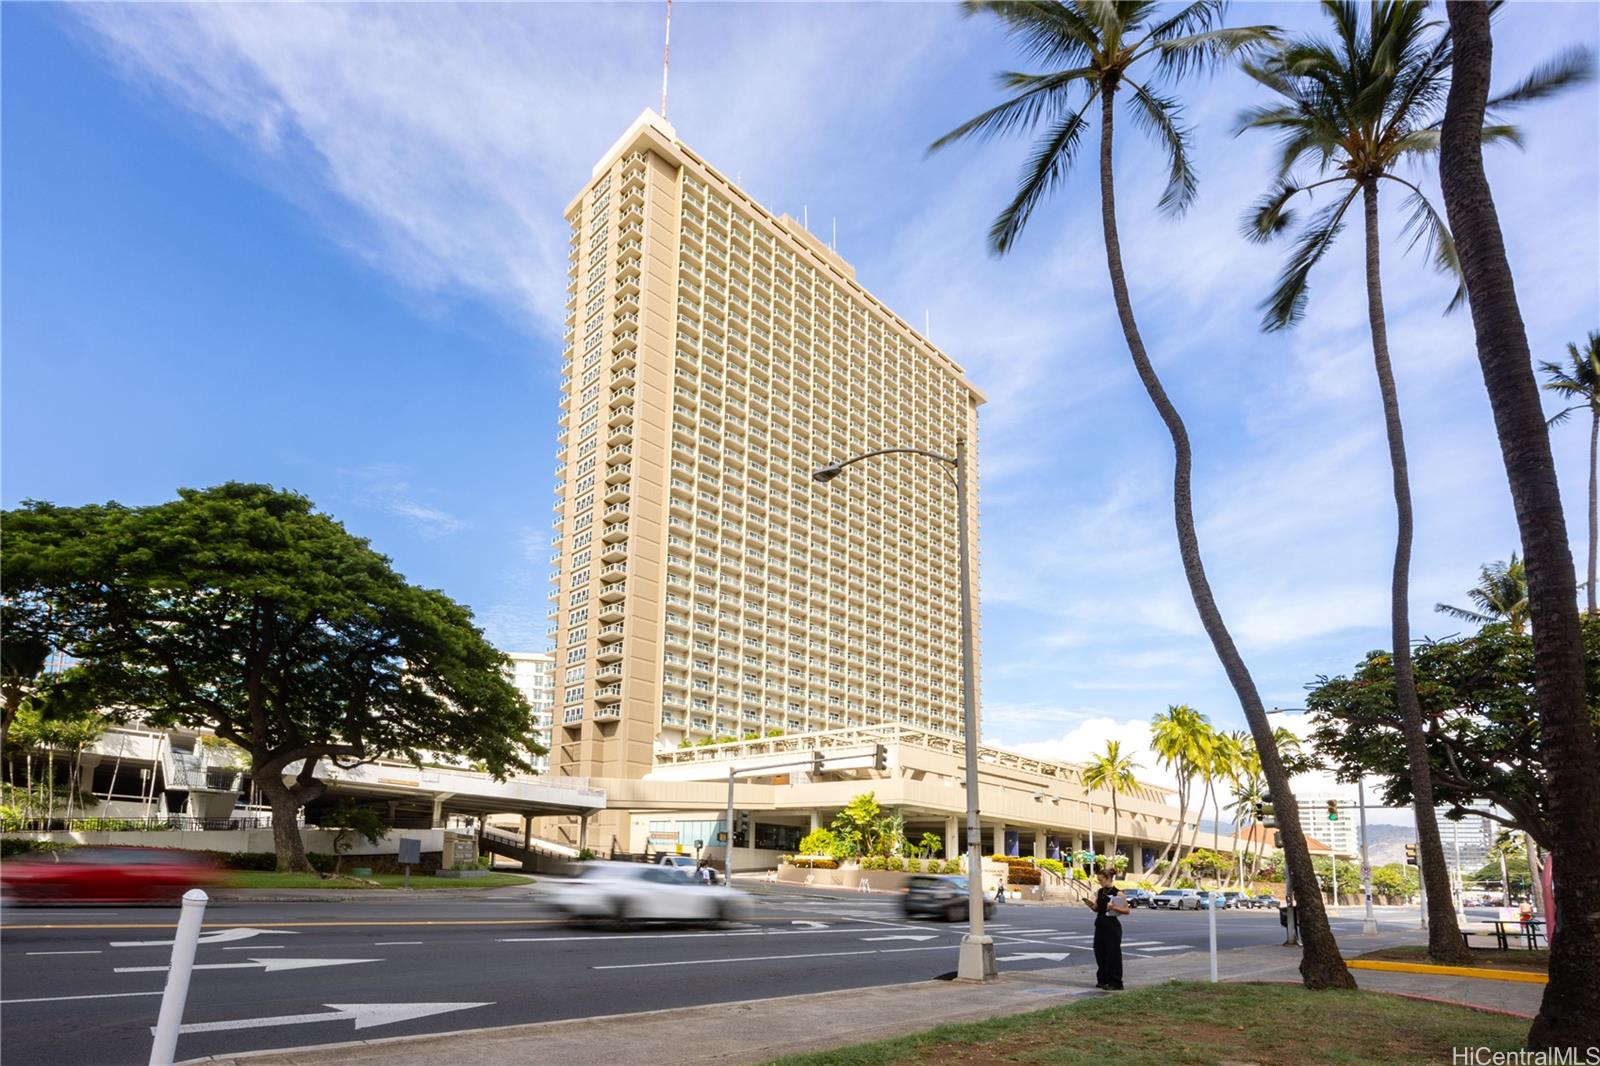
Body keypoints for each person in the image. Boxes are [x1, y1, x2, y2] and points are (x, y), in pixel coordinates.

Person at [1083, 867, 1130, 990]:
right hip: (1100, 924)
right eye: (1098, 880)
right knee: (1099, 952)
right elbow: (1098, 909)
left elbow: (1126, 910)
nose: (1100, 882)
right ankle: (1103, 979)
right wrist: (1091, 905)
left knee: (1112, 954)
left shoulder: (1118, 893)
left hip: (1111, 926)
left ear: (1108, 878)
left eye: (1101, 880)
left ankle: (1116, 982)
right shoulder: (1100, 892)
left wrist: (1114, 907)